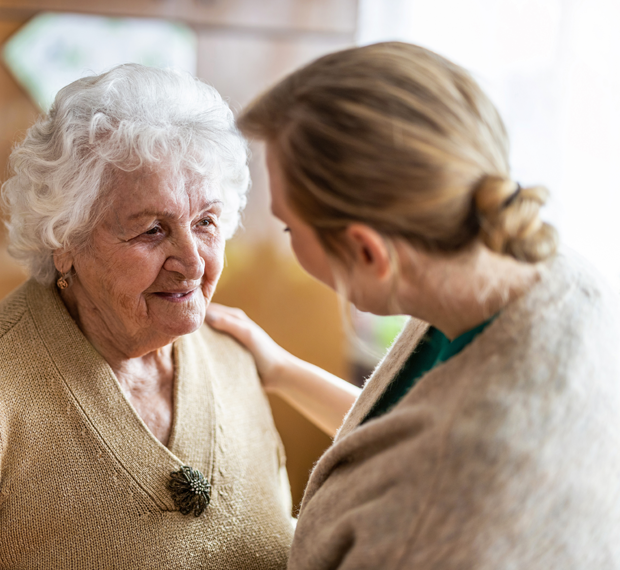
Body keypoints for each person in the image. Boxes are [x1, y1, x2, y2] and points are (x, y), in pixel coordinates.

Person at [0, 65, 294, 569]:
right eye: (152, 230)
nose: (193, 262)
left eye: (206, 222)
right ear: (64, 241)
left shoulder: (234, 359)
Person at [207, 42, 620, 569]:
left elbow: (427, 471)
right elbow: (399, 436)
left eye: (289, 226)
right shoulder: (541, 270)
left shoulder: (442, 510)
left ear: (366, 251)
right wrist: (282, 370)